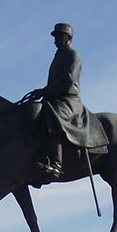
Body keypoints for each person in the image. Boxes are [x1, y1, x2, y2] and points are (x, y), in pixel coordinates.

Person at [23, 23, 99, 177]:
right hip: (54, 97)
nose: (55, 40)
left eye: (58, 36)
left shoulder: (73, 55)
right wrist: (42, 92)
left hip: (69, 100)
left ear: (67, 37)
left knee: (51, 116)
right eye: (55, 37)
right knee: (32, 112)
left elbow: (67, 81)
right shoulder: (58, 56)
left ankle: (56, 164)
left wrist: (46, 91)